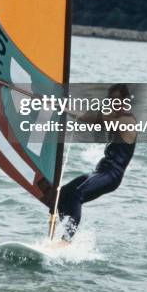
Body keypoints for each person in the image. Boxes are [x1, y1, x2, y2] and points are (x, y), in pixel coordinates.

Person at [56, 83, 136, 243]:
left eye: (118, 100)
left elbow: (91, 119)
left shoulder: (128, 121)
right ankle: (63, 233)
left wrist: (63, 107)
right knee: (64, 193)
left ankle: (66, 241)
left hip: (112, 175)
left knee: (77, 194)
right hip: (100, 171)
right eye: (111, 100)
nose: (114, 103)